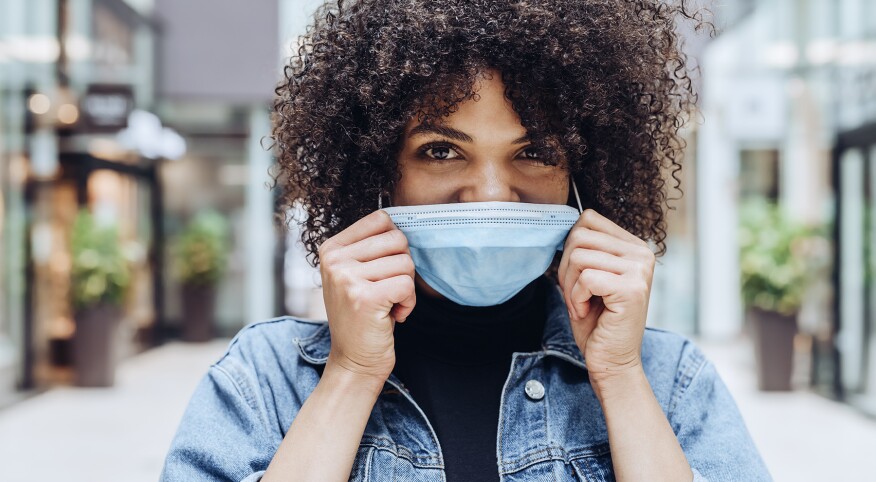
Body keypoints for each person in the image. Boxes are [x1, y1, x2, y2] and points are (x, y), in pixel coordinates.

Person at [161, 0, 772, 481]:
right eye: (441, 151)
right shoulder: (263, 381)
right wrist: (350, 374)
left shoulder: (667, 380)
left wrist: (618, 375)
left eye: (534, 151)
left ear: (581, 177)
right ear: (380, 172)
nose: (488, 194)